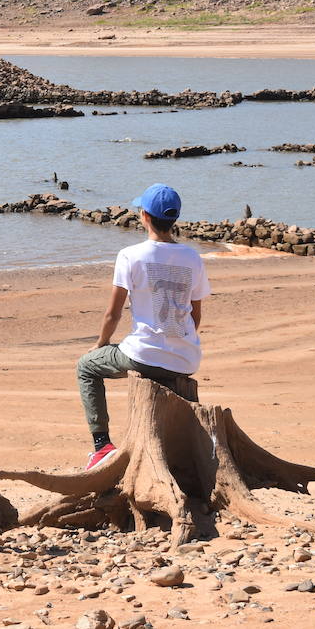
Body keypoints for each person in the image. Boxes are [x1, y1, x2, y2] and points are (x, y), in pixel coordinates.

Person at [77, 183, 211, 471]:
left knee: (86, 367)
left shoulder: (130, 255)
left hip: (144, 355)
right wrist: (179, 343)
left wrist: (101, 343)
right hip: (187, 359)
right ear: (174, 220)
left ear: (144, 217)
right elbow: (195, 315)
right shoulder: (192, 257)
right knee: (158, 366)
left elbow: (112, 314)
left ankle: (101, 447)